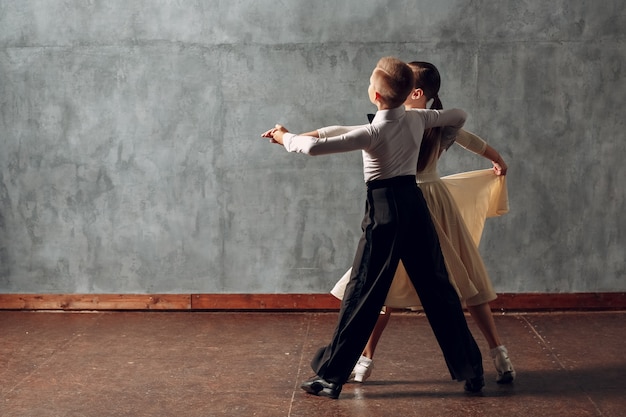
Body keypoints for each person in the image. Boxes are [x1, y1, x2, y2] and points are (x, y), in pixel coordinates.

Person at [261, 57, 484, 399]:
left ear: (376, 97)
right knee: (439, 290)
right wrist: (440, 126)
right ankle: (472, 370)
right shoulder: (419, 118)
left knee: (362, 290)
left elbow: (311, 147)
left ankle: (331, 377)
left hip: (385, 212)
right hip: (415, 207)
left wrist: (283, 134)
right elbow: (459, 115)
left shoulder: (374, 131)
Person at [331, 61, 516, 385]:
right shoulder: (410, 121)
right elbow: (470, 138)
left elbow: (469, 138)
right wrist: (496, 158)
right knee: (392, 284)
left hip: (420, 204)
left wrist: (497, 159)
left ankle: (498, 352)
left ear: (416, 93)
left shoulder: (428, 122)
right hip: (420, 201)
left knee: (449, 280)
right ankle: (365, 357)